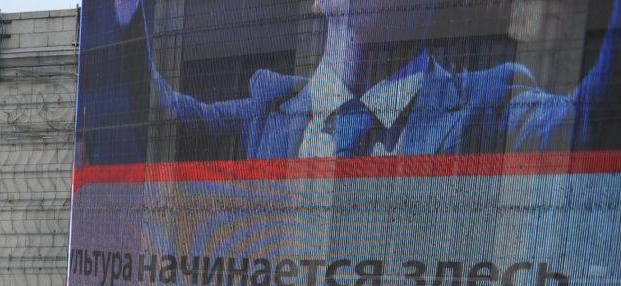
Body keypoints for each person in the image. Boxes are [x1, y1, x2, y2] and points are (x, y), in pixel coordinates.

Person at [81, 0, 621, 167]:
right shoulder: (267, 112)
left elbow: (585, 128)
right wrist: (124, 14)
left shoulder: (490, 107)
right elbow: (153, 116)